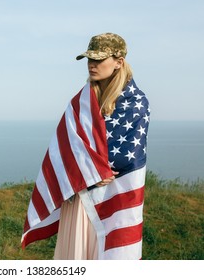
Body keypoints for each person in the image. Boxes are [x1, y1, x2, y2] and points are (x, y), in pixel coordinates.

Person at [21, 33, 150, 260]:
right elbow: (64, 145)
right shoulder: (81, 102)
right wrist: (89, 171)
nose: (92, 65)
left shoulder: (135, 102)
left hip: (110, 195)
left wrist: (91, 169)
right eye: (90, 59)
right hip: (79, 192)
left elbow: (126, 156)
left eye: (99, 59)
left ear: (118, 62)